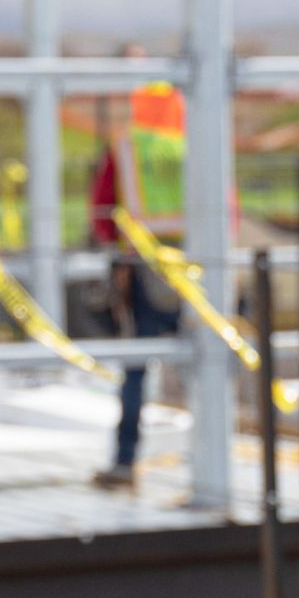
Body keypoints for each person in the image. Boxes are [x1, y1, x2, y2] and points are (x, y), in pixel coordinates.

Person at [91, 45, 182, 489]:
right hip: (198, 271)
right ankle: (212, 459)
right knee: (208, 365)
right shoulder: (195, 142)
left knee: (135, 369)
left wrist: (118, 253)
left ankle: (125, 462)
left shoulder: (126, 146)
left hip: (142, 270)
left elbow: (102, 210)